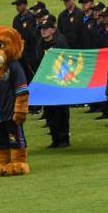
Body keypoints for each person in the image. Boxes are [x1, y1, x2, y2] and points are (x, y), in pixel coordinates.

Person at [38, 18, 70, 148]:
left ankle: (64, 139)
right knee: (50, 111)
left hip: (59, 81)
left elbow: (66, 60)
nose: (43, 31)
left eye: (46, 28)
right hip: (46, 82)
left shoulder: (59, 42)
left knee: (61, 111)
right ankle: (54, 138)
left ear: (53, 29)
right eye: (42, 29)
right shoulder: (40, 44)